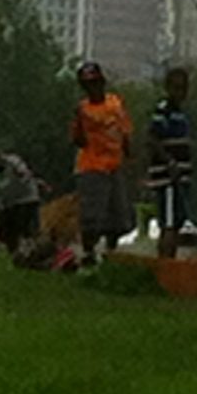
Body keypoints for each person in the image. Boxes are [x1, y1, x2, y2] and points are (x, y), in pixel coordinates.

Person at [69, 61, 134, 263]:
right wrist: (79, 122)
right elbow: (78, 140)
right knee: (92, 215)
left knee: (118, 214)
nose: (93, 88)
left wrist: (130, 157)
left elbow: (125, 133)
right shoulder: (83, 109)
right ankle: (89, 252)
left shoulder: (115, 103)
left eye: (96, 83)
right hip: (92, 166)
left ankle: (111, 252)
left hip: (114, 165)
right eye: (88, 84)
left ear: (102, 82)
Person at [143, 67, 195, 251]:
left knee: (178, 221)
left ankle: (169, 258)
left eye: (183, 88)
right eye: (176, 88)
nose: (180, 93)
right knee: (169, 223)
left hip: (182, 174)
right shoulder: (163, 110)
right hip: (168, 177)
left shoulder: (183, 113)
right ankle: (165, 263)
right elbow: (152, 138)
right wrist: (168, 161)